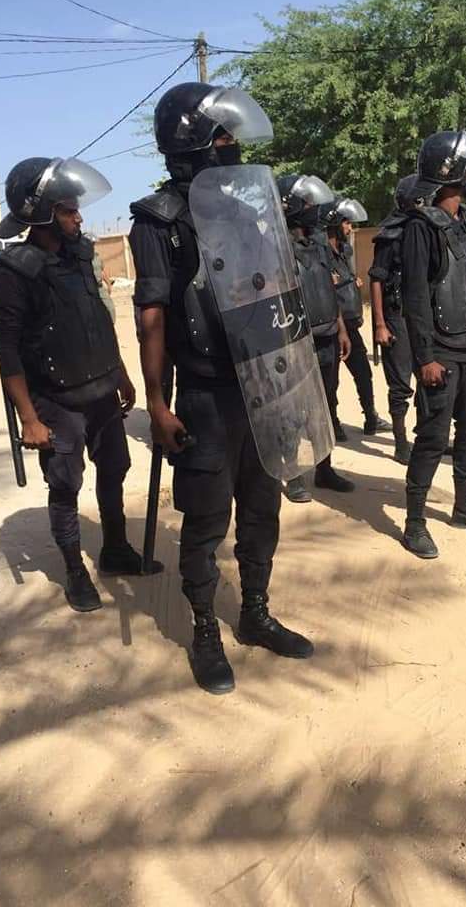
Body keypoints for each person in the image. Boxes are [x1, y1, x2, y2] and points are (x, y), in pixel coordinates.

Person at [130, 82, 317, 694]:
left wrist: (294, 374)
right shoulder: (157, 221)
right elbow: (152, 316)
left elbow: (274, 286)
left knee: (262, 505)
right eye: (221, 135)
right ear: (192, 142)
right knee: (207, 515)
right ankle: (206, 629)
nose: (232, 145)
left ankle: (256, 613)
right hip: (206, 391)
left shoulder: (243, 209)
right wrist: (157, 403)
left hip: (261, 380)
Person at [0, 156, 145, 613]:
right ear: (41, 214)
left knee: (114, 469)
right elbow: (7, 350)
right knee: (65, 485)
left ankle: (116, 549)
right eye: (69, 211)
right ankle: (76, 571)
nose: (79, 218)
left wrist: (120, 372)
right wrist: (29, 418)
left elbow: (97, 319)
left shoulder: (79, 255)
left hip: (101, 390)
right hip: (56, 401)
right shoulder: (12, 271)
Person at [399, 129, 466, 560]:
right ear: (452, 173)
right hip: (441, 351)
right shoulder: (420, 226)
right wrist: (424, 358)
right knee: (431, 437)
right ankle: (414, 522)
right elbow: (415, 297)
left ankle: (465, 506)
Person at [277, 174, 355, 502]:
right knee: (293, 411)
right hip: (294, 341)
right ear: (290, 205)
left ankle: (324, 469)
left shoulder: (320, 243)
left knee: (325, 406)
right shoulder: (276, 246)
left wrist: (341, 328)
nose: (313, 208)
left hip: (327, 336)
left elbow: (328, 287)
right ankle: (293, 474)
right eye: (308, 203)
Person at [322, 196, 390, 440]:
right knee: (331, 381)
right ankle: (333, 422)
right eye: (347, 223)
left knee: (363, 372)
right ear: (334, 223)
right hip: (332, 327)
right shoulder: (322, 253)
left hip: (351, 325)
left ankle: (371, 416)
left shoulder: (344, 251)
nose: (350, 228)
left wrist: (352, 282)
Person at [369, 174, 423, 465]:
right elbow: (377, 279)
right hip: (397, 316)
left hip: (422, 316)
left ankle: (427, 438)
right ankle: (401, 443)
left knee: (430, 379)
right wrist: (380, 324)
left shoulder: (425, 229)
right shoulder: (390, 234)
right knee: (401, 385)